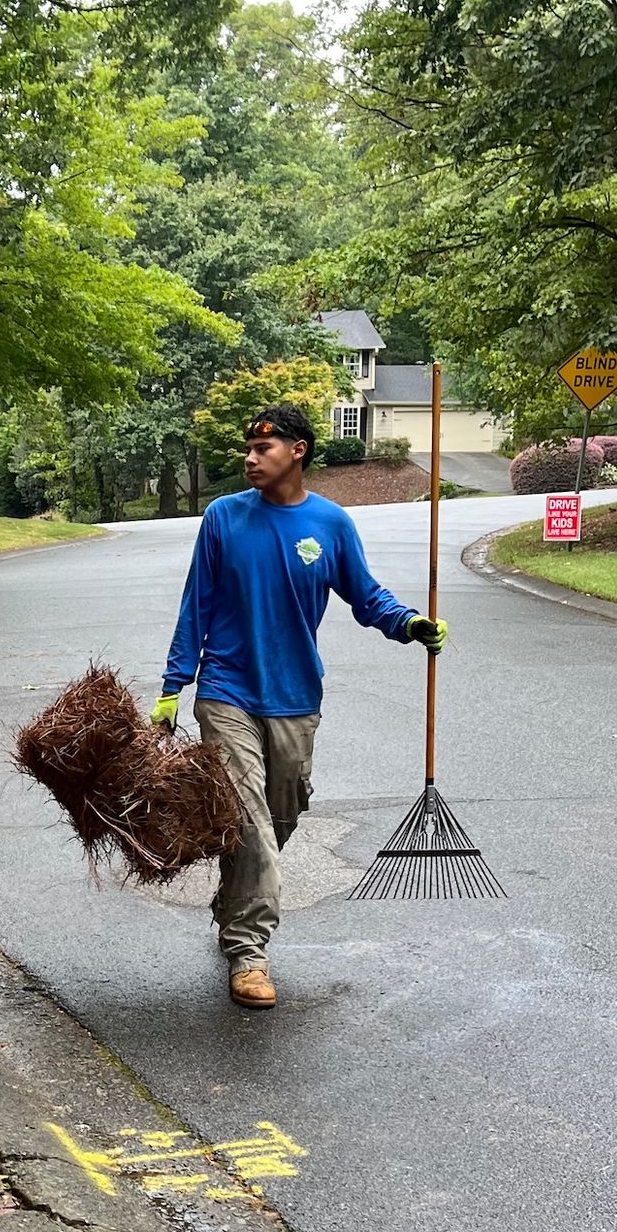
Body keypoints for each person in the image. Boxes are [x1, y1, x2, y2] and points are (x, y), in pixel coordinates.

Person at [151, 402, 446, 1010]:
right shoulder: (223, 518)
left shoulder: (330, 524)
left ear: (298, 451)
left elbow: (366, 595)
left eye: (263, 449)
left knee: (284, 806)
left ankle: (235, 894)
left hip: (295, 695)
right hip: (226, 690)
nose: (250, 458)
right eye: (247, 449)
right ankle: (249, 951)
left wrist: (408, 623)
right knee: (250, 814)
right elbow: (196, 604)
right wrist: (173, 684)